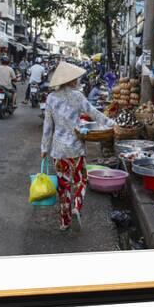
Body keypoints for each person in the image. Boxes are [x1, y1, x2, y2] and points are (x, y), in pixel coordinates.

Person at [41, 62, 115, 232]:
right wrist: (111, 123)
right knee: (81, 180)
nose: (77, 80)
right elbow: (94, 113)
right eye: (76, 78)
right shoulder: (78, 96)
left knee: (63, 186)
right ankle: (76, 205)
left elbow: (48, 127)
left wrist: (44, 148)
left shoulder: (51, 98)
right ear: (71, 80)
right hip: (76, 149)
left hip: (58, 151)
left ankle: (64, 222)